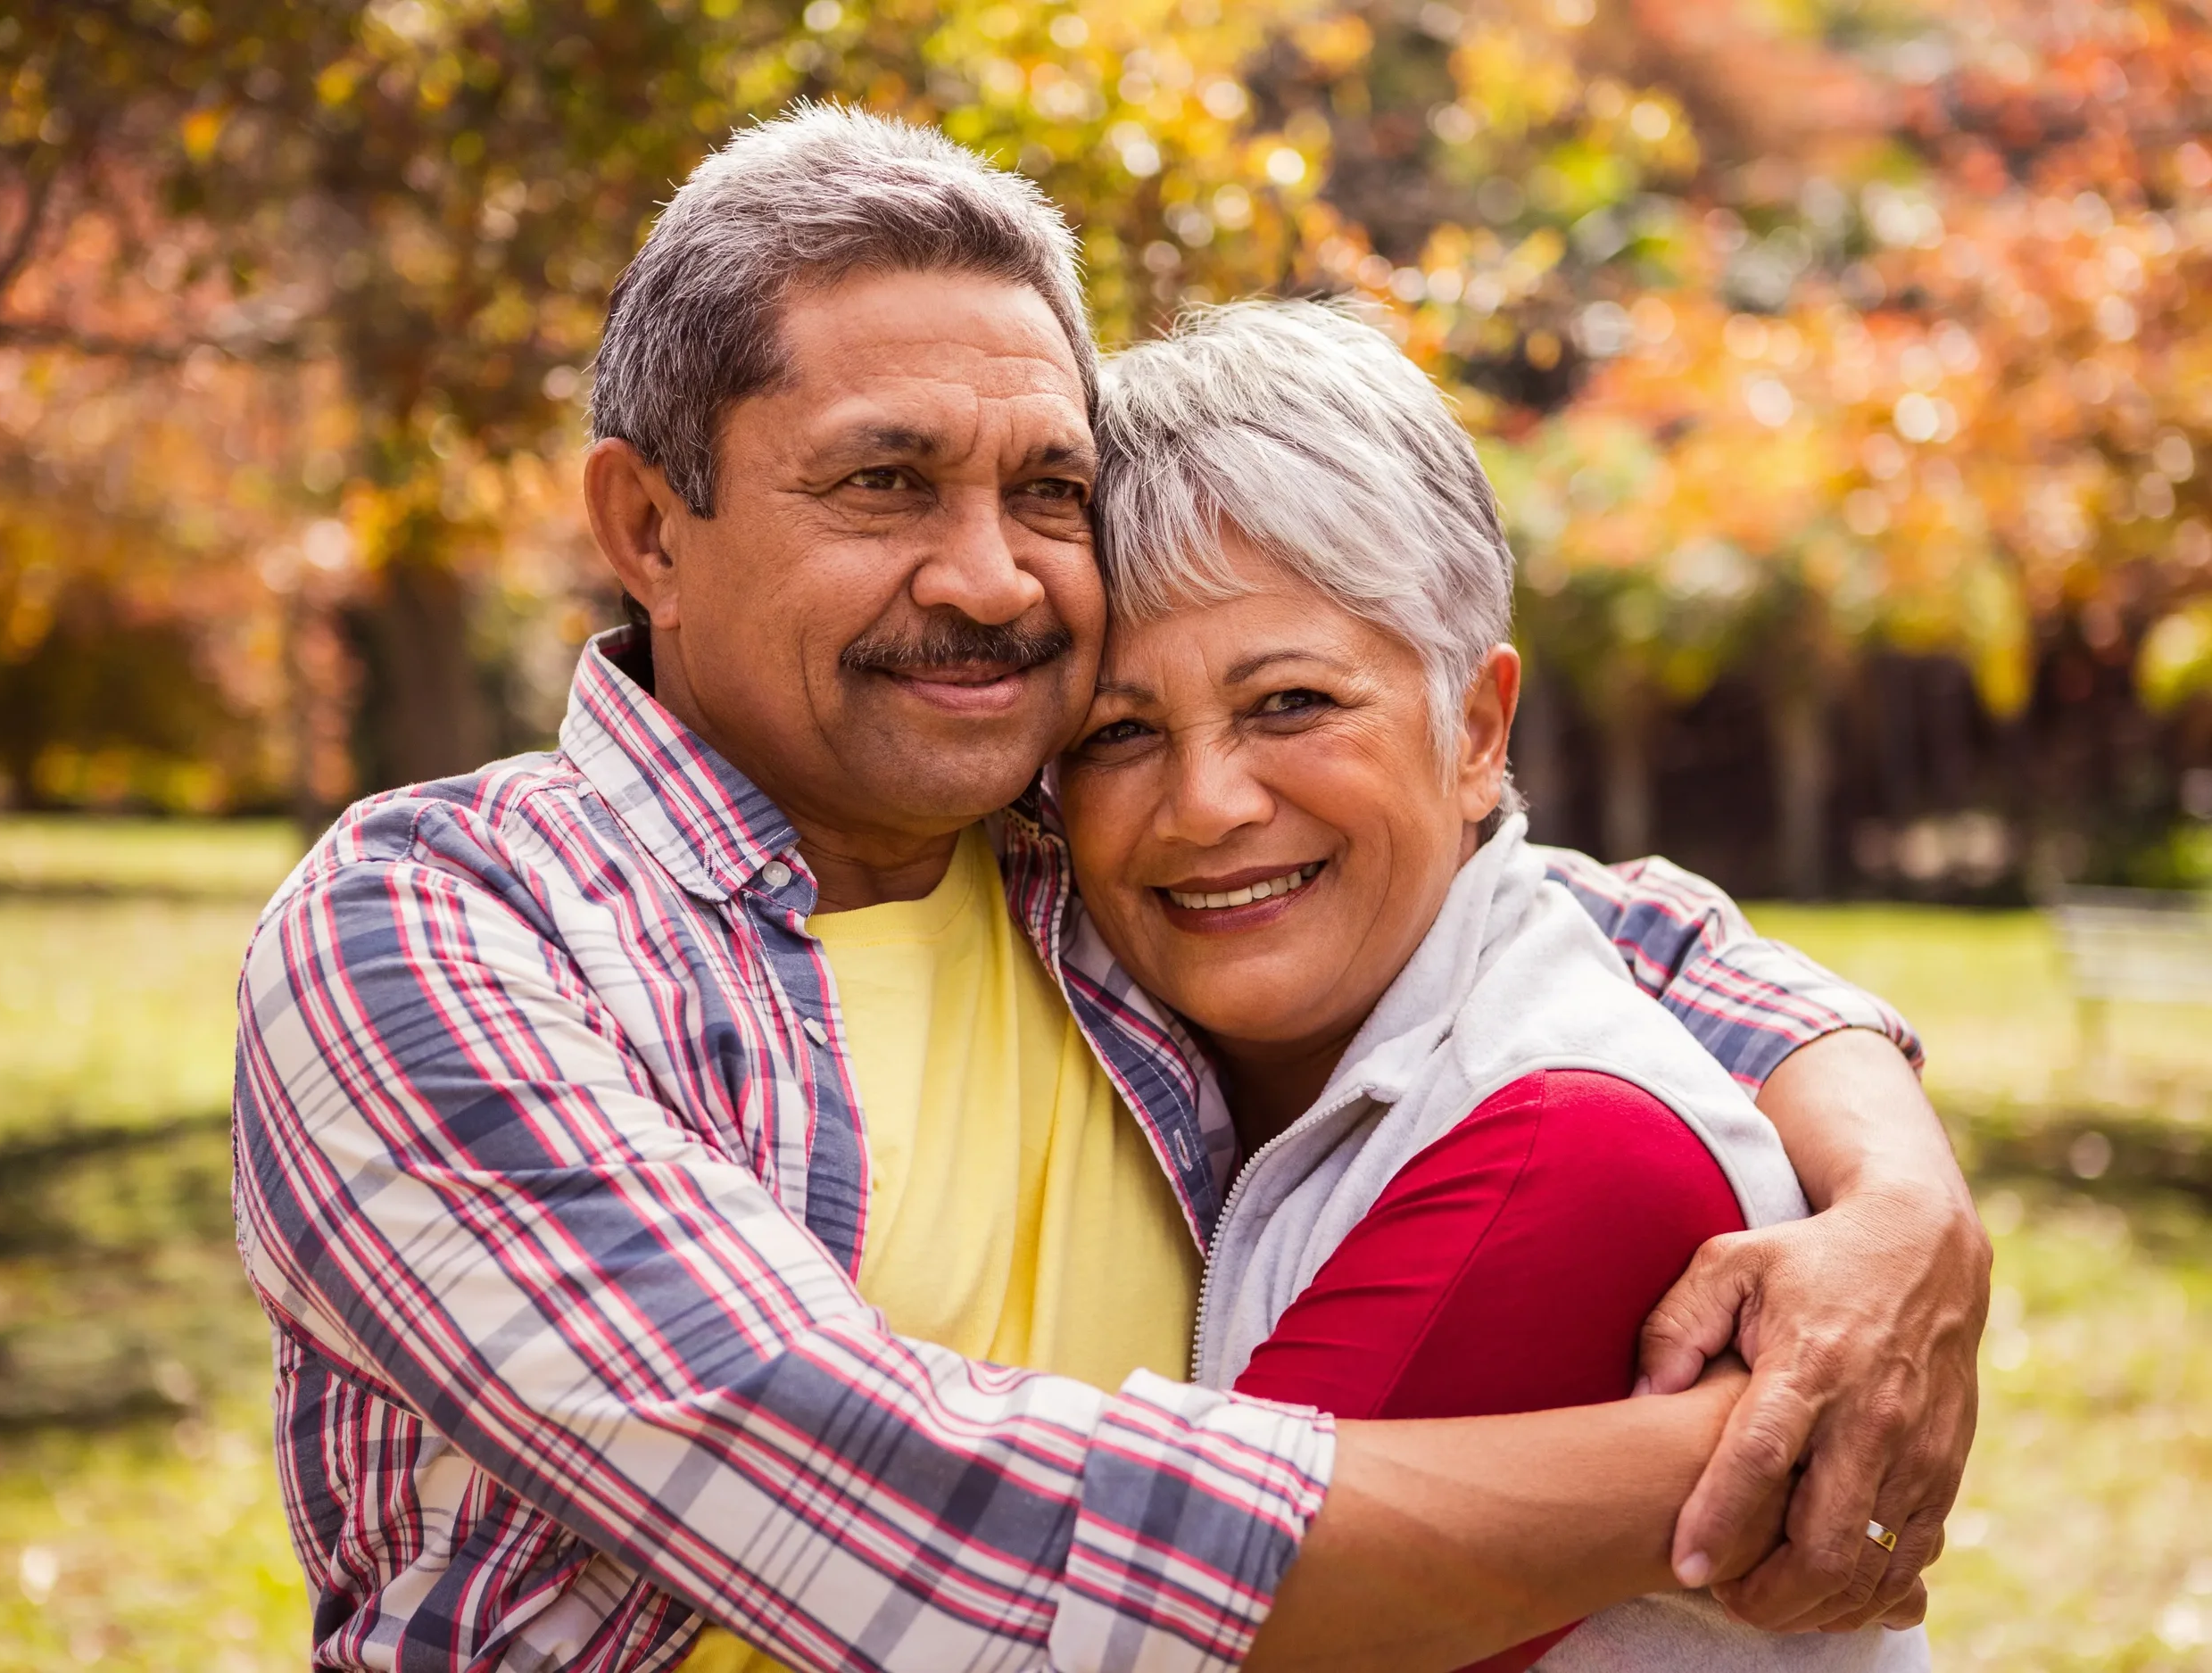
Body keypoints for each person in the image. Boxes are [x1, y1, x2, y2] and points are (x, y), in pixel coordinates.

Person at [230, 106, 1987, 1672]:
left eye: (1045, 490)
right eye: (885, 481)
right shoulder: (438, 930)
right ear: (646, 526)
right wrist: (1748, 1456)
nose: (988, 578)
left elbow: (1553, 907)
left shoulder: (1076, 845)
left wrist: (1901, 1195)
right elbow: (915, 1529)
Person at [1060, 298, 1939, 1669]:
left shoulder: (1566, 1147)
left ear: (1474, 731)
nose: (1206, 803)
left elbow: (1167, 1635)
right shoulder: (1143, 1015)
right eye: (1117, 729)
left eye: (1291, 701)